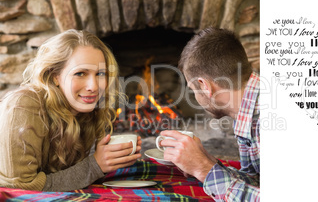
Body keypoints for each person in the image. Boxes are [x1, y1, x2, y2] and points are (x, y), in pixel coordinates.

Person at [0, 29, 142, 191]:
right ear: (55, 75)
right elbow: (19, 187)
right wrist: (95, 165)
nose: (93, 86)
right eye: (80, 73)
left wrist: (109, 158)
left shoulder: (84, 111)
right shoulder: (23, 106)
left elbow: (67, 176)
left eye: (100, 73)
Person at [160, 27, 260, 201]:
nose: (195, 96)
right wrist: (206, 161)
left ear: (205, 86)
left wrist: (203, 169)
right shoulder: (247, 110)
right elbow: (257, 184)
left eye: (193, 90)